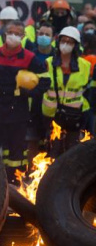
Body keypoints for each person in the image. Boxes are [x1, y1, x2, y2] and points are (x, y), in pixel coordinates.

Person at [0, 20, 50, 184]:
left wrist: (31, 93)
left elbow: (45, 79)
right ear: (5, 34)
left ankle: (15, 183)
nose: (13, 36)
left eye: (18, 33)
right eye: (11, 32)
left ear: (23, 36)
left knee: (16, 153)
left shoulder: (29, 57)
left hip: (18, 110)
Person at [42, 26, 92, 157]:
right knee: (52, 154)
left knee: (72, 155)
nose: (65, 45)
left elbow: (88, 91)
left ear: (75, 45)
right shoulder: (49, 63)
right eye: (63, 41)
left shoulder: (85, 66)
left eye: (69, 42)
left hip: (75, 117)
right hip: (52, 116)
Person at [28, 22, 56, 161]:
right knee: (32, 139)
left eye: (47, 34)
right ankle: (29, 173)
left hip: (52, 106)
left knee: (51, 141)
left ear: (53, 38)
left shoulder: (57, 57)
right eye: (41, 34)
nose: (44, 37)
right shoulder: (30, 55)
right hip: (33, 103)